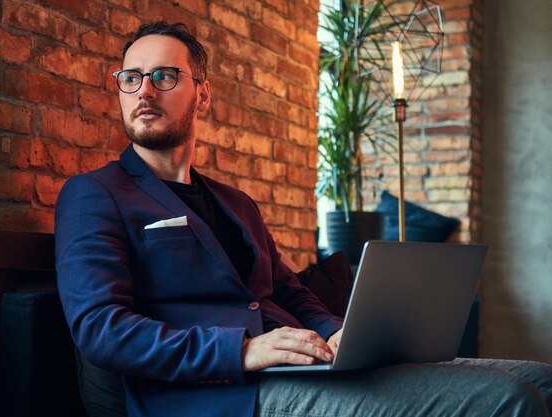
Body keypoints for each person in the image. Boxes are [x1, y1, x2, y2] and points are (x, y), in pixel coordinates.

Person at [55, 21, 552, 417]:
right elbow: (102, 328)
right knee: (510, 399)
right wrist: (242, 351)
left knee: (543, 381)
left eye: (164, 76)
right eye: (131, 78)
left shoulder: (236, 203)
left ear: (202, 94)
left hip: (302, 369)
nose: (144, 90)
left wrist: (339, 333)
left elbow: (289, 294)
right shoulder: (94, 194)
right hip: (218, 394)